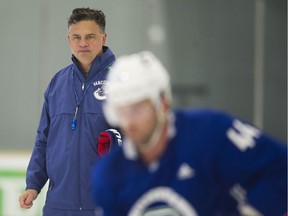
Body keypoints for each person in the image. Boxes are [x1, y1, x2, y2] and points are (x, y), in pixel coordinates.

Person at [91, 51, 287, 216]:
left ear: (163, 104)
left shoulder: (210, 132)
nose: (128, 122)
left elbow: (281, 167)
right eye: (120, 111)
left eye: (137, 110)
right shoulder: (108, 174)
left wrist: (255, 210)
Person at [18, 8, 121, 216]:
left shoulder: (122, 79)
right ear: (68, 39)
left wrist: (119, 141)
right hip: (59, 205)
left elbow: (143, 136)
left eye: (90, 37)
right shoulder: (58, 83)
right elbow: (43, 139)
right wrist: (33, 184)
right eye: (76, 37)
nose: (83, 43)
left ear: (103, 37)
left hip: (106, 201)